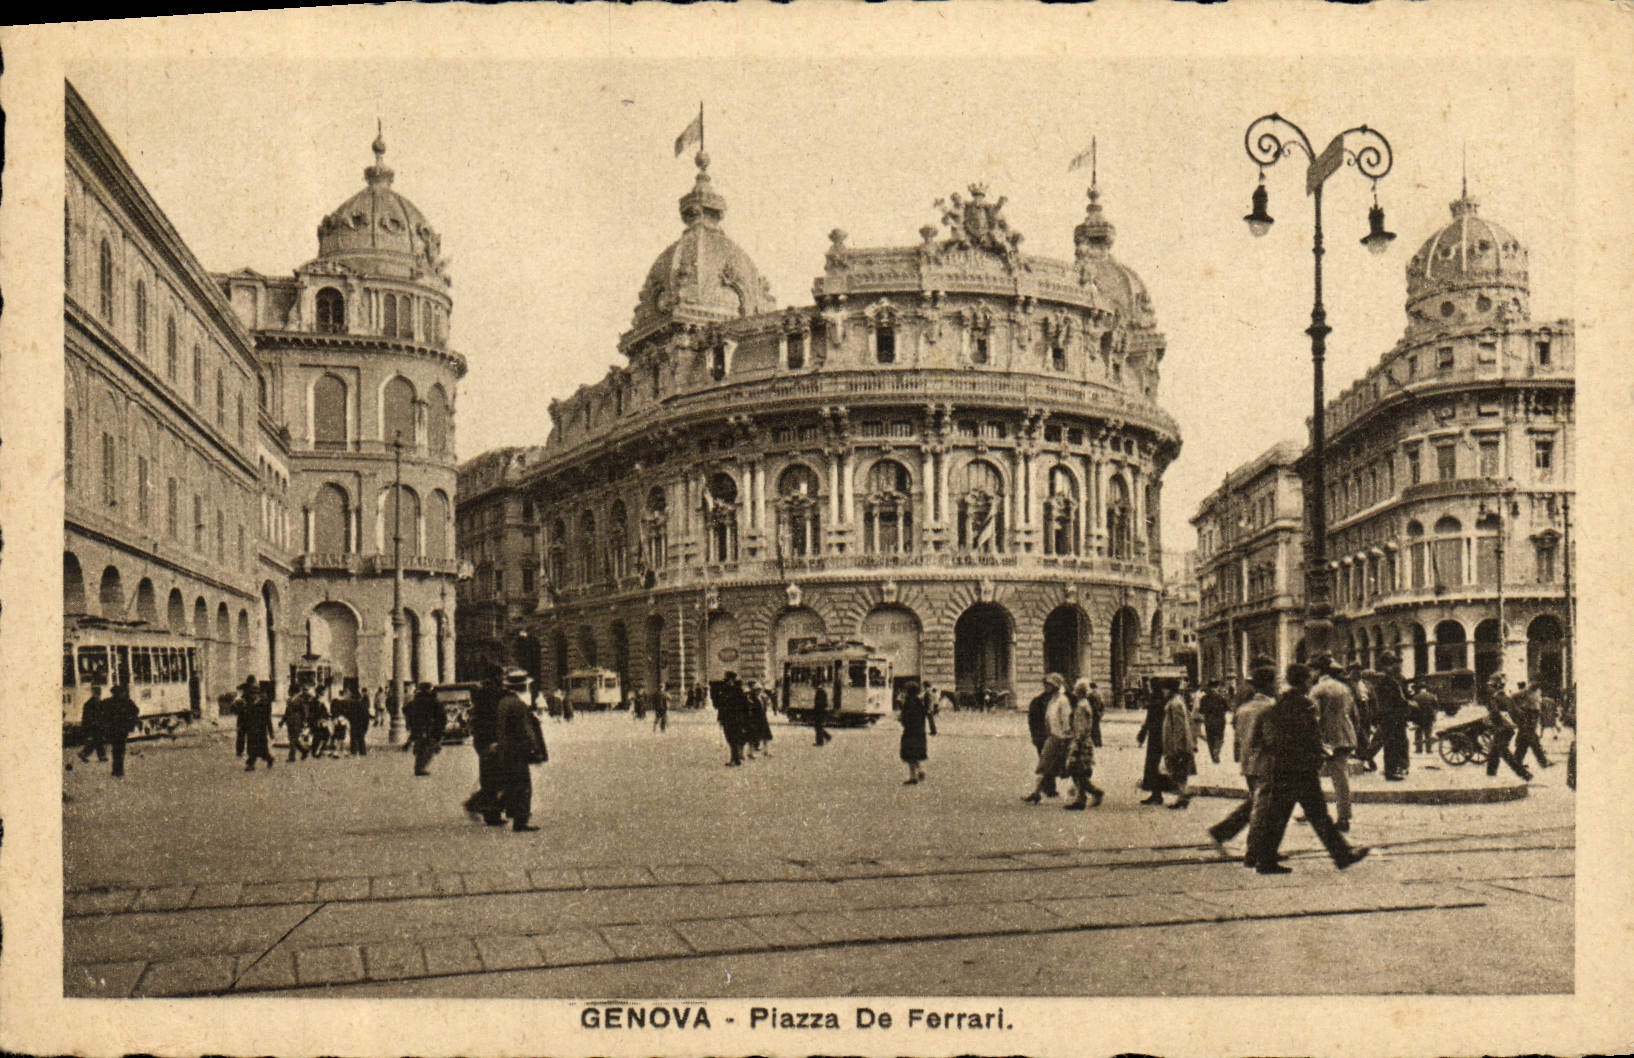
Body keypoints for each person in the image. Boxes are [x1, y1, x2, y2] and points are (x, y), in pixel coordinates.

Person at [1243, 663, 1370, 875]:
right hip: (1302, 770)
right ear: (1303, 681)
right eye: (1308, 679)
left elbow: (1261, 739)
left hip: (1281, 768)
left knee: (1279, 815)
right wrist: (1320, 755)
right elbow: (1312, 736)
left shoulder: (1277, 705)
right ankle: (1342, 855)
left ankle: (1264, 860)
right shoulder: (1305, 705)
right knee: (1317, 816)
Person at [1208, 657, 1278, 858]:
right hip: (1267, 763)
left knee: (1256, 803)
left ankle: (1224, 832)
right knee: (1262, 807)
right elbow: (1272, 740)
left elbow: (1239, 735)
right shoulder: (1271, 708)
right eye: (1274, 682)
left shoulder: (1243, 710)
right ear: (1267, 684)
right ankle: (1255, 849)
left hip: (1249, 763)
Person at [1309, 653, 1359, 833]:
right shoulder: (1344, 688)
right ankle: (1343, 816)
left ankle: (1312, 811)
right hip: (1345, 736)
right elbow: (1354, 715)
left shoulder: (1317, 690)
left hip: (1326, 739)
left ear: (1318, 671)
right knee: (1341, 779)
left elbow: (1314, 717)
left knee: (1308, 776)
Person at [494, 670, 546, 832]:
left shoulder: (503, 702)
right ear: (523, 686)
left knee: (512, 784)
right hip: (518, 751)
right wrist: (536, 749)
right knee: (523, 786)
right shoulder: (519, 705)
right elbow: (527, 730)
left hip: (505, 749)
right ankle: (520, 821)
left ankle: (505, 811)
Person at [1023, 674, 1072, 804]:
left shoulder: (1062, 700)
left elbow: (1066, 719)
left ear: (1056, 686)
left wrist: (1066, 737)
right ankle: (1036, 793)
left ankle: (1083, 791)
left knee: (1071, 766)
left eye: (1049, 684)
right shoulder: (1052, 700)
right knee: (1043, 765)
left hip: (1060, 738)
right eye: (1046, 684)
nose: (1046, 686)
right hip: (1052, 736)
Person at [464, 670, 505, 825]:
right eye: (500, 677)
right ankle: (476, 805)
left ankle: (491, 813)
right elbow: (489, 722)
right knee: (495, 778)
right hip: (490, 741)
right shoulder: (490, 697)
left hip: (485, 741)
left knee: (491, 777)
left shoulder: (483, 697)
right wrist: (492, 742)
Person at [1483, 675, 1534, 780]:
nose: (1488, 688)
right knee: (1494, 751)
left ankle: (1525, 774)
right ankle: (1490, 774)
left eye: (1491, 686)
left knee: (1504, 753)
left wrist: (1488, 721)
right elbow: (1519, 713)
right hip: (1508, 729)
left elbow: (1495, 712)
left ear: (1495, 686)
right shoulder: (1506, 697)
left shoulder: (1494, 698)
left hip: (1502, 728)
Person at [1064, 679, 1105, 809]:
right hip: (1084, 741)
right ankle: (1081, 798)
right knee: (1078, 770)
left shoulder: (1081, 706)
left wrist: (1075, 744)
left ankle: (1093, 792)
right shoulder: (1084, 704)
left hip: (1081, 742)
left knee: (1076, 769)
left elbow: (1081, 728)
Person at [1372, 651, 1412, 780]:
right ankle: (1390, 771)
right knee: (1390, 744)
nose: (1393, 666)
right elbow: (1390, 701)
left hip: (1396, 717)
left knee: (1398, 743)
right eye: (1390, 664)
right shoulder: (1384, 681)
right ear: (1384, 665)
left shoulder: (1393, 679)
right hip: (1390, 717)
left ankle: (1397, 768)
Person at [1135, 683, 1172, 806]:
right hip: (1159, 736)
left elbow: (1149, 720)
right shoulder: (1161, 701)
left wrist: (1142, 734)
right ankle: (1156, 794)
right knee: (1155, 766)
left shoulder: (1155, 703)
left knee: (1153, 766)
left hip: (1156, 738)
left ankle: (1157, 794)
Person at [1162, 680, 1196, 810]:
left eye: (1165, 689)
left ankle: (1184, 795)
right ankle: (1182, 797)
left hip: (1176, 745)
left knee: (1178, 771)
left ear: (1170, 690)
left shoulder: (1175, 704)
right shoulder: (1176, 701)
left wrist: (1179, 746)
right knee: (1179, 772)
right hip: (1175, 743)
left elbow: (1179, 727)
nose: (1163, 692)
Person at [405, 682, 445, 776]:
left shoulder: (416, 700)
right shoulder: (433, 700)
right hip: (430, 727)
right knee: (430, 747)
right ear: (429, 689)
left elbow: (406, 709)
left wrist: (411, 722)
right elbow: (441, 714)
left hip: (418, 727)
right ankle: (421, 768)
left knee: (421, 747)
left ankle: (419, 767)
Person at [1510, 682, 1552, 770]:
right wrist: (1517, 710)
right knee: (1533, 740)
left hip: (1532, 717)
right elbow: (1512, 699)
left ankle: (1517, 761)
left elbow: (1537, 705)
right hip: (1528, 717)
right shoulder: (1525, 692)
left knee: (1524, 741)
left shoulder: (1535, 693)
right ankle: (1543, 761)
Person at [103, 683, 140, 778]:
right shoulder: (126, 702)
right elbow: (136, 710)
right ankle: (119, 770)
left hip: (113, 730)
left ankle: (116, 770)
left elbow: (102, 712)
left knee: (116, 750)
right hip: (122, 730)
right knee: (120, 750)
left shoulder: (109, 702)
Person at [898, 679, 929, 785]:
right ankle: (921, 770)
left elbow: (906, 718)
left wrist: (901, 718)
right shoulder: (919, 702)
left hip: (910, 732)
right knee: (916, 754)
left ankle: (913, 777)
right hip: (920, 732)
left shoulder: (908, 702)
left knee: (910, 755)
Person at [715, 671, 750, 765]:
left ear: (732, 680)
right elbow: (720, 706)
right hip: (727, 719)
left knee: (734, 739)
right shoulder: (724, 690)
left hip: (736, 719)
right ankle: (736, 759)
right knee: (730, 739)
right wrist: (720, 719)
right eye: (726, 680)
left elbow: (745, 706)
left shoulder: (738, 691)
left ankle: (734, 759)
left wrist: (744, 719)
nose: (727, 682)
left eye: (728, 680)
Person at [241, 682, 275, 771]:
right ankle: (253, 763)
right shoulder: (249, 703)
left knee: (261, 748)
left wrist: (271, 731)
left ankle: (265, 760)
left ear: (259, 693)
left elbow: (268, 718)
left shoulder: (264, 703)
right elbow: (246, 716)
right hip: (251, 728)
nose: (253, 695)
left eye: (255, 693)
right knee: (251, 746)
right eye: (252, 693)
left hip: (260, 729)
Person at [1198, 682, 1229, 764]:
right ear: (1216, 687)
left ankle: (1213, 755)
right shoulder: (1221, 697)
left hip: (1208, 721)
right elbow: (1227, 708)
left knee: (1210, 739)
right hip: (1220, 721)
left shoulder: (1204, 698)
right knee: (1220, 738)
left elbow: (1201, 711)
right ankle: (1217, 751)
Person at [76, 685, 108, 764]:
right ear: (93, 693)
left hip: (97, 724)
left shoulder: (97, 702)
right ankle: (98, 755)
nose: (99, 694)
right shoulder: (89, 703)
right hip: (92, 725)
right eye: (97, 692)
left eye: (99, 692)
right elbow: (87, 716)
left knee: (97, 740)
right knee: (97, 740)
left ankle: (85, 754)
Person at [1410, 681, 1440, 754]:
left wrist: (1412, 718)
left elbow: (1412, 708)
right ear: (1426, 689)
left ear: (1419, 689)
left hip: (1418, 718)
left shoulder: (1416, 697)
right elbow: (1436, 707)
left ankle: (1418, 749)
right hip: (1429, 717)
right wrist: (1434, 716)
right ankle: (1428, 749)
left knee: (1418, 733)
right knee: (1428, 733)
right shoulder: (1431, 696)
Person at [282, 689, 311, 762]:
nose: (289, 692)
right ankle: (304, 751)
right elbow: (287, 712)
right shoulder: (289, 700)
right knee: (294, 740)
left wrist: (304, 722)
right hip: (290, 722)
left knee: (293, 739)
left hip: (297, 722)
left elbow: (303, 712)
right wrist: (282, 721)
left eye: (290, 690)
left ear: (294, 691)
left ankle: (292, 757)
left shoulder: (300, 700)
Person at [347, 687, 371, 756]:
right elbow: (366, 717)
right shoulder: (363, 706)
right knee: (361, 739)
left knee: (354, 738)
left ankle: (353, 751)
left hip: (354, 725)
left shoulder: (351, 706)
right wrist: (365, 726)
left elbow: (349, 716)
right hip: (361, 725)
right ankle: (362, 752)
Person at [811, 674, 832, 747]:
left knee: (818, 727)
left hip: (820, 712)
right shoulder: (821, 691)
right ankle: (826, 737)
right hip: (821, 711)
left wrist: (816, 711)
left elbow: (820, 703)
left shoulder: (820, 691)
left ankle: (820, 742)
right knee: (818, 727)